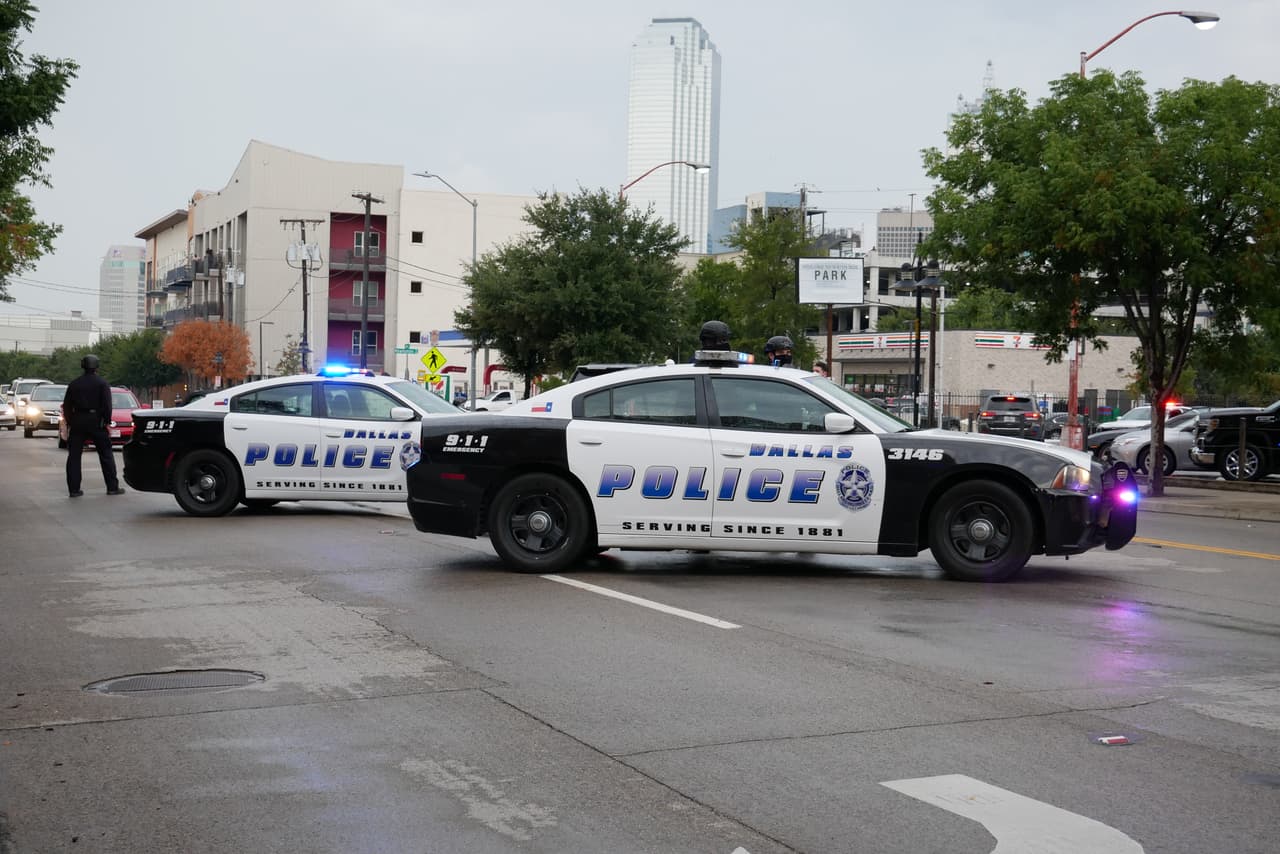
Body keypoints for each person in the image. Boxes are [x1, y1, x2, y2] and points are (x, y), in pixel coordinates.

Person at [62, 354, 124, 497]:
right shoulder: (102, 383)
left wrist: (71, 421)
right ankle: (112, 487)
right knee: (106, 454)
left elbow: (67, 406)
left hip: (78, 420)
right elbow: (107, 406)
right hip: (96, 421)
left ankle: (74, 490)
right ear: (97, 366)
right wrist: (107, 422)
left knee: (74, 457)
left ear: (83, 366)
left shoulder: (74, 384)